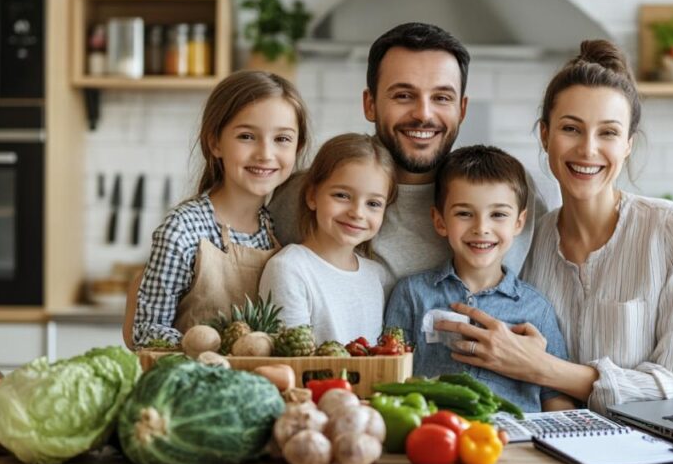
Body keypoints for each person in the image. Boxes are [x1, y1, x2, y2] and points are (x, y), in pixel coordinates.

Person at [433, 40, 673, 414]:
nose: (587, 149)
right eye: (571, 129)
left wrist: (546, 368)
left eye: (608, 133)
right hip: (547, 448)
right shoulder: (525, 240)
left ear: (628, 145)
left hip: (651, 453)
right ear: (545, 135)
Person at [267, 22, 546, 284]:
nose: (424, 114)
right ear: (370, 104)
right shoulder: (304, 194)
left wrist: (537, 339)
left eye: (441, 98)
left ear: (461, 109)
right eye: (403, 95)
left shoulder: (513, 194)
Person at [126, 70, 310, 348]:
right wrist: (212, 349)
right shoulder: (183, 228)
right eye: (247, 136)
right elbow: (146, 331)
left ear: (298, 148)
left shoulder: (281, 228)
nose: (265, 153)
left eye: (282, 139)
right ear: (215, 143)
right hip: (194, 382)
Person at [385, 145, 573, 413]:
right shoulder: (412, 294)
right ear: (440, 221)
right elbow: (392, 375)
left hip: (518, 444)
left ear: (519, 223)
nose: (481, 228)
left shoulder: (536, 307)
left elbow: (556, 395)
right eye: (464, 213)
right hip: (436, 437)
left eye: (498, 214)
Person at [258, 133, 395, 345]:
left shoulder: (379, 276)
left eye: (373, 204)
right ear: (312, 196)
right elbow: (292, 359)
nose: (357, 213)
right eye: (342, 195)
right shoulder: (289, 268)